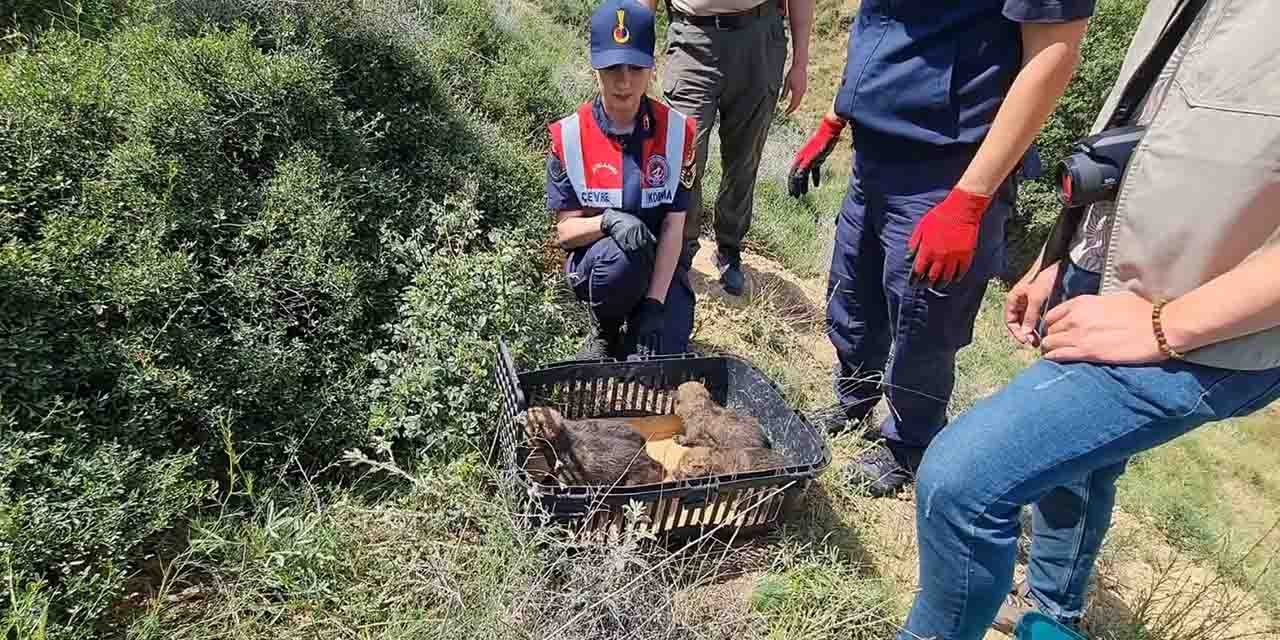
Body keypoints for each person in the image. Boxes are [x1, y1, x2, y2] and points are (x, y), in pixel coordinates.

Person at [898, 1, 1280, 638]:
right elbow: (1144, 130)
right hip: (1112, 286)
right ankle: (1052, 614)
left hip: (1205, 333)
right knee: (1080, 460)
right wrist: (1066, 252)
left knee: (961, 482)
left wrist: (1169, 324)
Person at [787, 1, 1093, 497]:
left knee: (923, 322)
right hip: (875, 152)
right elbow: (879, 23)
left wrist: (970, 200)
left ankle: (908, 442)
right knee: (853, 291)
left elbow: (1054, 54)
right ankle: (853, 398)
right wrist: (837, 114)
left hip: (946, 168)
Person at [546, 0, 699, 360]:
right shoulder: (569, 137)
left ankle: (644, 316)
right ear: (594, 66)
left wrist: (654, 304)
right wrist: (608, 221)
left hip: (658, 264)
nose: (624, 81)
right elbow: (565, 233)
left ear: (653, 66)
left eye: (635, 66)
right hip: (602, 262)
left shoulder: (678, 134)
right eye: (612, 67)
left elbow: (675, 227)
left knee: (659, 365)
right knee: (619, 260)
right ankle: (606, 326)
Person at [642, 0, 813, 296]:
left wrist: (800, 63)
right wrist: (640, 50)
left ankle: (729, 248)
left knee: (744, 156)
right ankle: (679, 253)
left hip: (758, 38)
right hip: (692, 39)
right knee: (684, 153)